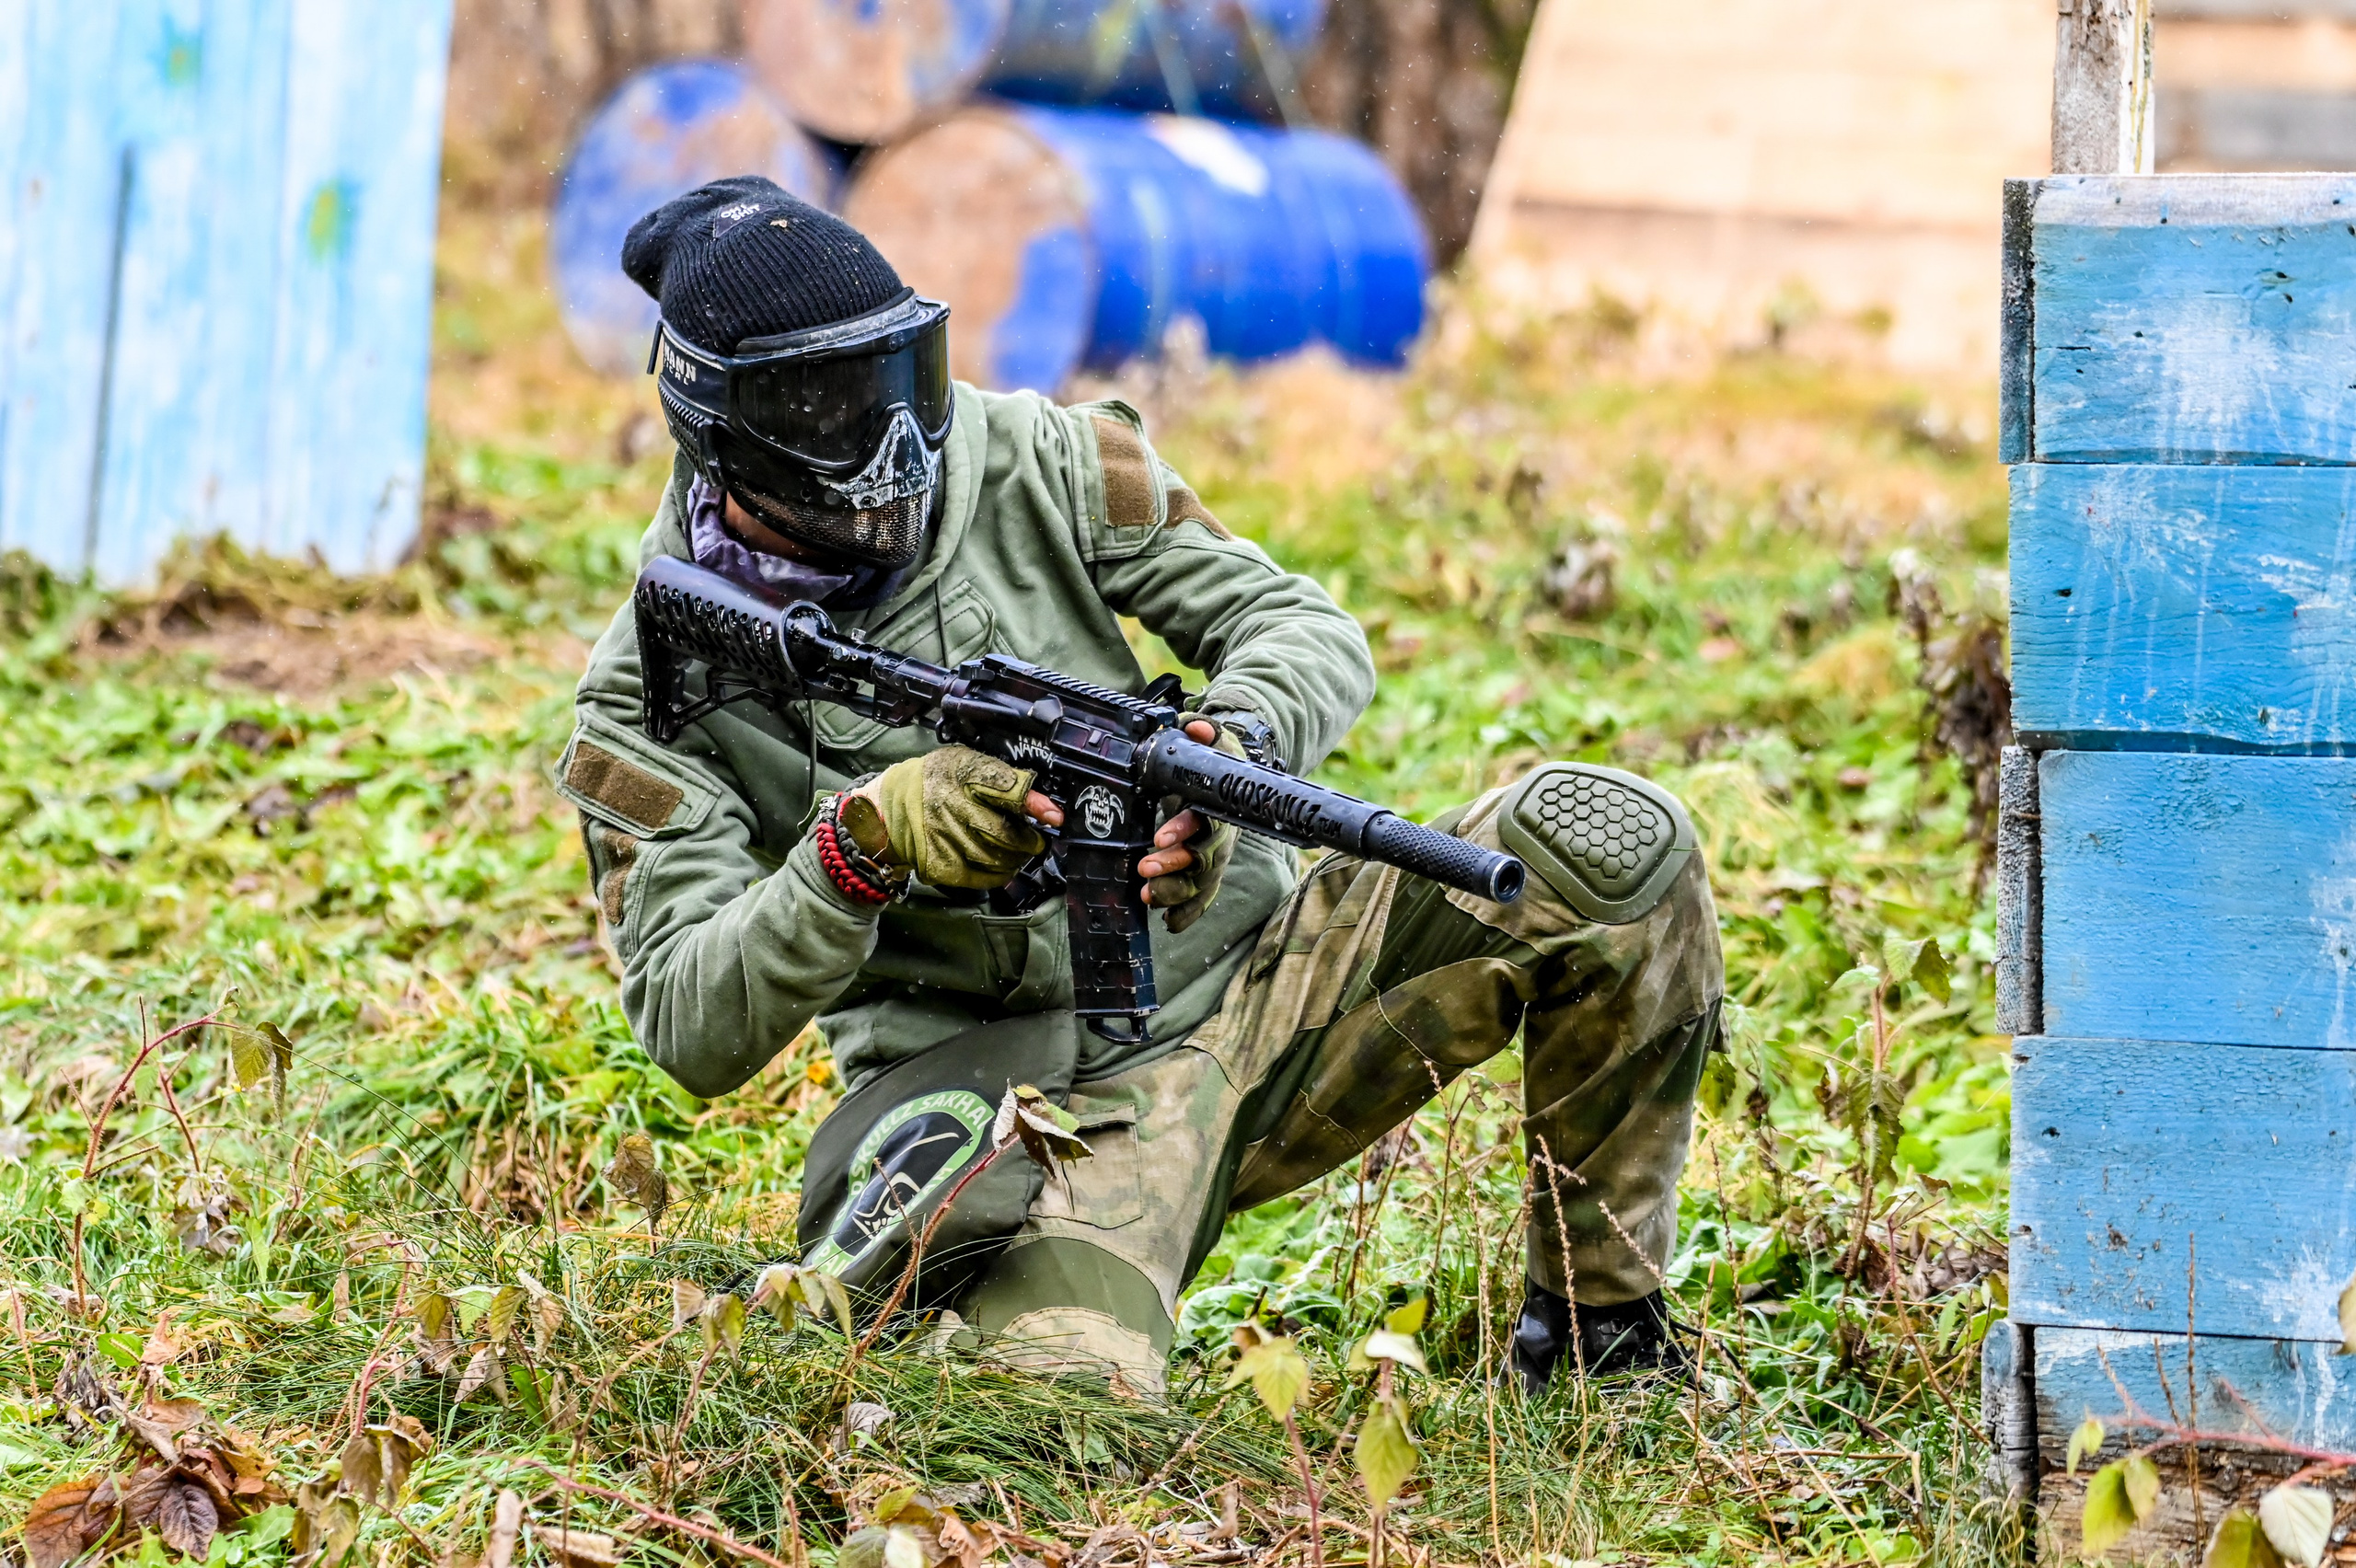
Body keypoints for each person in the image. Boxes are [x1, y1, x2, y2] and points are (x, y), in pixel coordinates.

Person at [559, 177, 1725, 1398]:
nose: (895, 440)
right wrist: (862, 845)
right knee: (1060, 1405)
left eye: (904, 378)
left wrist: (1234, 749)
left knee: (1607, 850)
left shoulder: (1045, 458)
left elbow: (1300, 624)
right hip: (1033, 1112)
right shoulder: (652, 692)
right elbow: (691, 1026)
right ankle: (957, 1289)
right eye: (834, 407)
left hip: (1273, 992)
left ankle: (1601, 1342)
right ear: (724, 426)